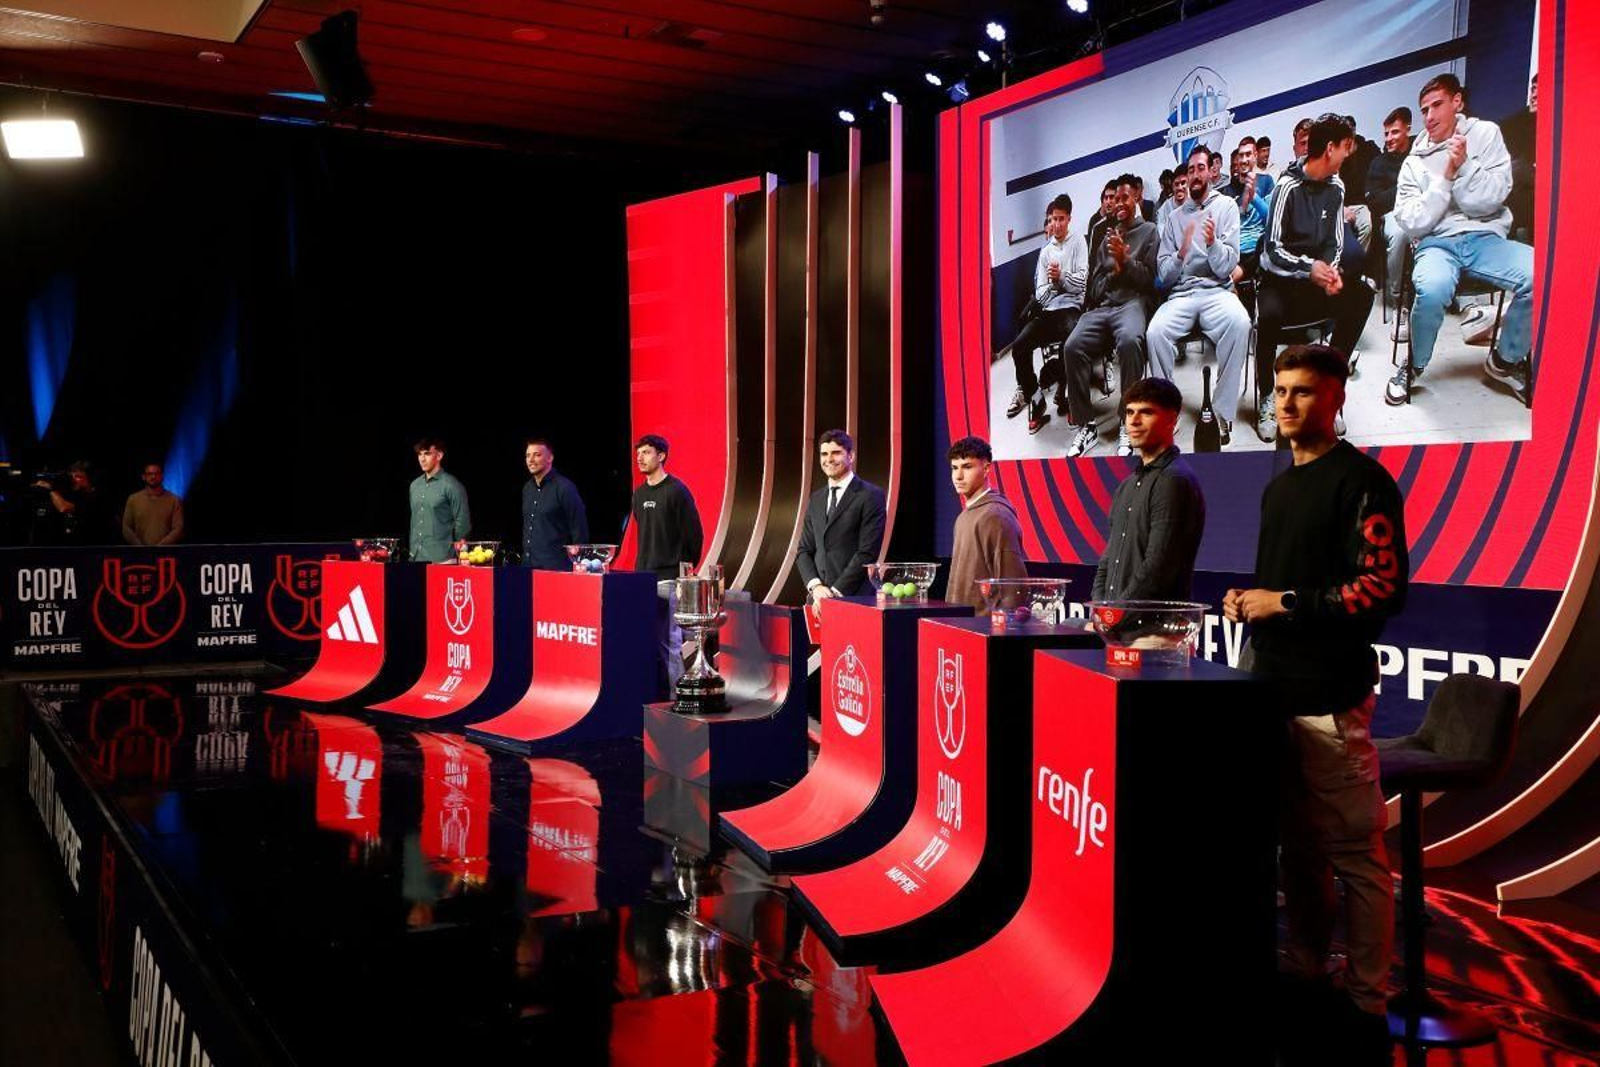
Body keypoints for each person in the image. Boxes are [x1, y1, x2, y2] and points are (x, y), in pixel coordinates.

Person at [1224, 343, 1407, 1057]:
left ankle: (1367, 999)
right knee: (1296, 850)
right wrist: (1252, 603)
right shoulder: (1277, 487)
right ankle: (1306, 967)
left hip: (1331, 699)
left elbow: (1381, 591)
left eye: (1304, 391)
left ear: (1335, 400)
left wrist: (1287, 601)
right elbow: (1281, 591)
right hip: (1272, 693)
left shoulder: (1362, 480)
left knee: (1356, 855)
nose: (1287, 403)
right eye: (1280, 390)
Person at [1388, 72, 1534, 407]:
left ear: (1458, 102)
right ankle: (1413, 366)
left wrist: (1465, 165)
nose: (1429, 116)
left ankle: (1504, 361)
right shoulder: (1413, 161)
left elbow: (1491, 199)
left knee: (1541, 275)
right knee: (1432, 288)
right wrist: (1446, 177)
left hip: (1486, 237)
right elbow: (1412, 221)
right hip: (1436, 243)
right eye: (1424, 109)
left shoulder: (1486, 135)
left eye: (1437, 105)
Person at [1255, 114, 1375, 441]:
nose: (1349, 154)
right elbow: (1271, 250)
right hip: (1280, 280)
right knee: (1268, 316)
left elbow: (1335, 242)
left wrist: (1330, 271)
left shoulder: (1337, 186)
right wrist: (1310, 268)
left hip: (1313, 281)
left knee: (1361, 295)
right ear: (1330, 148)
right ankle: (1268, 396)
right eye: (1346, 147)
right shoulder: (1286, 186)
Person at [1147, 145, 1251, 445]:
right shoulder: (1173, 218)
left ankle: (1221, 410)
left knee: (1240, 323)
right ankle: (1168, 410)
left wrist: (1212, 243)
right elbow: (1164, 277)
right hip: (1181, 295)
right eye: (1190, 170)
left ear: (1211, 170)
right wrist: (1180, 254)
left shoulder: (1227, 207)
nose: (1195, 175)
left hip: (1217, 290)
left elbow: (1228, 265)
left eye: (1200, 168)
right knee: (1155, 333)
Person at [1062, 173, 1160, 458]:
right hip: (1104, 306)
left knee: (1130, 341)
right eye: (1115, 198)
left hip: (1132, 304)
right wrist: (1112, 274)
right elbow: (1094, 285)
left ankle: (1126, 422)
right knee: (1072, 345)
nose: (1118, 203)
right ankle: (1086, 424)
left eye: (1124, 197)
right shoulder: (1105, 234)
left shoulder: (1150, 231)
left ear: (1136, 198)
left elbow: (1150, 279)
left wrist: (1124, 263)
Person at [1091, 378, 1205, 602]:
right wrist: (1100, 610)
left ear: (1172, 419)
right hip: (1118, 626)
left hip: (1153, 630)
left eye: (1146, 412)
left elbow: (1157, 569)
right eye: (1129, 412)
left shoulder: (1175, 480)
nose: (1133, 421)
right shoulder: (1127, 485)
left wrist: (1113, 617)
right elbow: (1108, 559)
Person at [1003, 195, 1089, 433]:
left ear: (1069, 219)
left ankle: (1067, 391)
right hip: (1050, 310)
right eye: (1053, 219)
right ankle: (1036, 397)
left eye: (1061, 219)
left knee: (1071, 342)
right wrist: (1053, 284)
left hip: (1071, 308)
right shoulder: (1045, 252)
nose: (1056, 224)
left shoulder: (1079, 242)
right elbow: (1040, 295)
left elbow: (1082, 283)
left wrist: (1061, 277)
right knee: (1019, 347)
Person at [631, 434, 704, 689]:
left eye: (647, 452)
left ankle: (675, 699)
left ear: (661, 456)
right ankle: (652, 694)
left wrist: (683, 572)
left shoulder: (677, 491)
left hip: (669, 579)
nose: (640, 458)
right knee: (643, 641)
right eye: (638, 453)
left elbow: (694, 535)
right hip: (643, 578)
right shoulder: (638, 495)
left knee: (670, 642)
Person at [796, 428, 887, 599]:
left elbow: (867, 552)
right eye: (824, 454)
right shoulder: (816, 499)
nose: (829, 459)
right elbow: (804, 551)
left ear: (850, 456)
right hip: (817, 598)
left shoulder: (871, 495)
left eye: (836, 453)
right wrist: (815, 587)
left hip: (855, 597)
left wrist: (834, 593)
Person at [944, 436, 1026, 612]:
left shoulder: (996, 516)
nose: (958, 476)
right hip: (960, 625)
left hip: (985, 629)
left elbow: (1013, 586)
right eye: (954, 468)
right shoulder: (964, 517)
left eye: (967, 467)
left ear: (986, 468)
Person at [1366, 106, 1414, 330]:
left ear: (1408, 129)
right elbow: (1374, 201)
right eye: (1386, 133)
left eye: (1394, 132)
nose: (1389, 138)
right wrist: (1405, 188)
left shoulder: (1419, 155)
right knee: (1399, 234)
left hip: (1422, 209)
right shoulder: (1379, 163)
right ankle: (1400, 303)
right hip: (1393, 215)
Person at [520, 437, 589, 570]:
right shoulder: (527, 488)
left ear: (550, 458)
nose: (531, 460)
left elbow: (579, 526)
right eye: (528, 455)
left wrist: (578, 559)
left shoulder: (564, 488)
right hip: (528, 566)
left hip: (555, 567)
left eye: (537, 455)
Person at [407, 438, 470, 563]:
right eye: (420, 454)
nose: (422, 459)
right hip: (415, 557)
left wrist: (457, 550)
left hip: (442, 559)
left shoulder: (451, 485)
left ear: (439, 455)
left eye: (427, 454)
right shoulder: (414, 485)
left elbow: (462, 523)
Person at [34, 461, 115, 545]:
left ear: (90, 478)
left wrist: (51, 489)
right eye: (72, 476)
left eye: (78, 477)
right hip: (76, 543)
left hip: (96, 543)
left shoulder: (98, 496)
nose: (73, 480)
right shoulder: (77, 493)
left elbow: (64, 508)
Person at [122, 462, 185, 546]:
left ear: (162, 476)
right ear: (143, 477)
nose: (153, 477)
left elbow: (178, 528)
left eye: (157, 473)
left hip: (165, 554)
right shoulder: (133, 499)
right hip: (139, 554)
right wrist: (139, 546)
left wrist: (160, 547)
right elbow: (126, 527)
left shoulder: (174, 500)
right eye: (149, 474)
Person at [1085, 180, 1119, 259]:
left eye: (1111, 197)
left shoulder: (1125, 223)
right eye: (1106, 198)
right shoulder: (1097, 227)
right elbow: (1091, 259)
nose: (1108, 202)